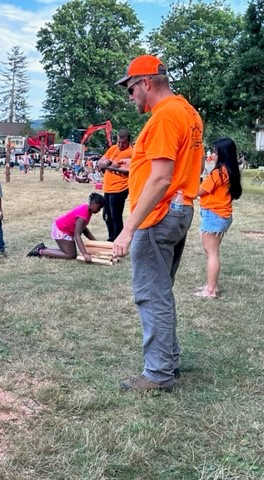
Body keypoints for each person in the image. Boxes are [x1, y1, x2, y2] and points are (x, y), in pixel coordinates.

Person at [113, 54, 204, 392]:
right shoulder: (188, 112)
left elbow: (161, 177)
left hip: (158, 216)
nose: (130, 96)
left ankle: (158, 374)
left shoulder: (165, 117)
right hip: (179, 210)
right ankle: (169, 360)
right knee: (161, 292)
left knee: (151, 296)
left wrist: (128, 228)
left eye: (131, 88)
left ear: (147, 83)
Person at [195, 137, 242, 299]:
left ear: (222, 153)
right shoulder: (229, 171)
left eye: (215, 152)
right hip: (221, 215)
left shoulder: (218, 172)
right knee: (212, 252)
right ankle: (211, 284)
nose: (213, 155)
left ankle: (211, 290)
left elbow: (199, 191)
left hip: (214, 215)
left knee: (212, 252)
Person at [26, 192, 104, 261]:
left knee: (72, 254)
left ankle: (43, 249)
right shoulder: (83, 213)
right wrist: (85, 254)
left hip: (66, 230)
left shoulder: (87, 210)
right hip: (61, 229)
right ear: (93, 203)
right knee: (70, 255)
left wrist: (96, 242)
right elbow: (77, 235)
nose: (99, 210)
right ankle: (41, 251)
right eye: (99, 207)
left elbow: (84, 229)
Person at [97, 129, 133, 241]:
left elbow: (128, 170)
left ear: (129, 142)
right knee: (106, 216)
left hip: (120, 188)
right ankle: (111, 237)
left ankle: (117, 239)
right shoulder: (112, 148)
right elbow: (100, 162)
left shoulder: (132, 152)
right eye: (118, 142)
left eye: (123, 143)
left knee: (115, 216)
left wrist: (109, 166)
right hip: (108, 188)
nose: (120, 145)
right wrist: (110, 165)